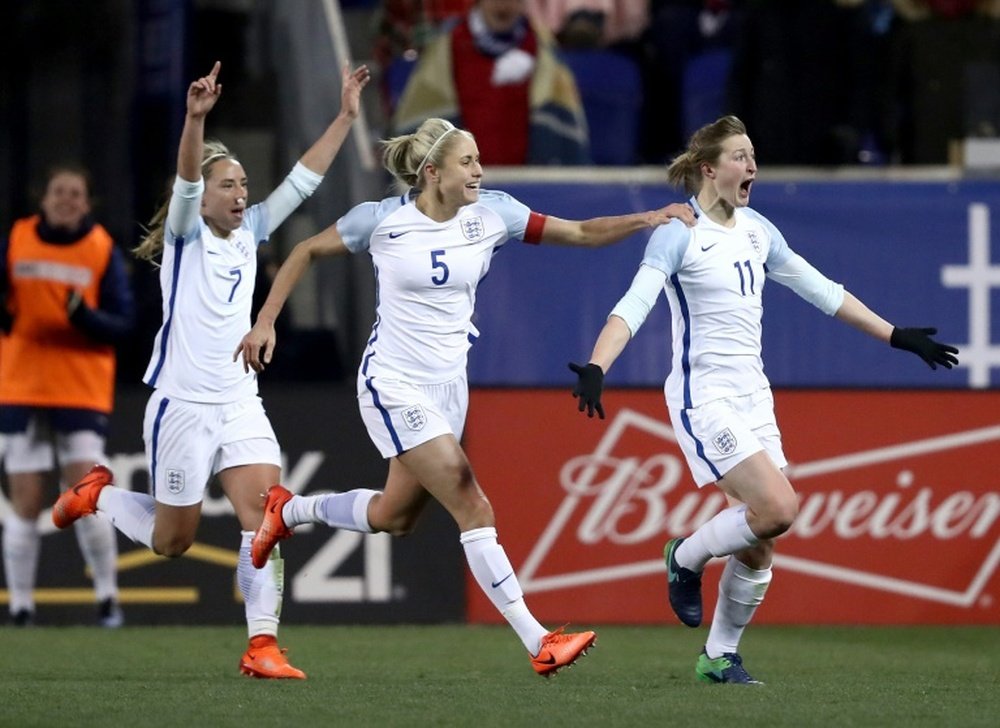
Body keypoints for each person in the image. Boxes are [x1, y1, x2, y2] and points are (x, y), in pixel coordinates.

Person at [233, 117, 696, 677]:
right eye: (467, 162)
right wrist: (265, 321)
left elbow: (579, 233)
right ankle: (539, 641)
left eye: (478, 160)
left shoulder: (492, 214)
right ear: (433, 173)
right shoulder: (382, 222)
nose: (479, 170)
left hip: (449, 388)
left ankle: (290, 509)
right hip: (392, 381)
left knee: (393, 516)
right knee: (471, 500)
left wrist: (650, 217)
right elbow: (305, 249)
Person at [568, 115, 959, 684]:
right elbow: (635, 304)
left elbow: (822, 290)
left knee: (760, 539)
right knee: (779, 507)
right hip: (705, 396)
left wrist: (896, 335)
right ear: (710, 169)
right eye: (739, 157)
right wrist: (599, 365)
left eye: (753, 156)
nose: (751, 167)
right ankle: (685, 557)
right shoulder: (679, 232)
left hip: (755, 396)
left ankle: (718, 657)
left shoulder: (759, 231)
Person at [52, 60, 370, 678]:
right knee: (174, 542)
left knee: (267, 518)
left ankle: (263, 645)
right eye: (229, 185)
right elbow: (188, 186)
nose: (241, 194)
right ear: (203, 192)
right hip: (182, 405)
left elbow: (302, 184)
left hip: (239, 401)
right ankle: (99, 494)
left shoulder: (250, 231)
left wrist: (345, 117)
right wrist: (196, 119)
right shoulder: (185, 234)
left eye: (244, 184)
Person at [0, 165, 134, 627]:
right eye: (59, 191)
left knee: (86, 497)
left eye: (75, 193)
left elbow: (123, 324)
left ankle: (107, 599)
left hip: (79, 389)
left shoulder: (101, 249)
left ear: (88, 203)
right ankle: (19, 606)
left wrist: (86, 319)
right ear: (43, 198)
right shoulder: (16, 238)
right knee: (26, 501)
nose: (66, 200)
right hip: (21, 387)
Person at [390, 0, 590, 165]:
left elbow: (565, 127)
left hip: (528, 189)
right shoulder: (449, 46)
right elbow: (423, 112)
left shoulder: (542, 49)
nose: (504, 5)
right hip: (462, 192)